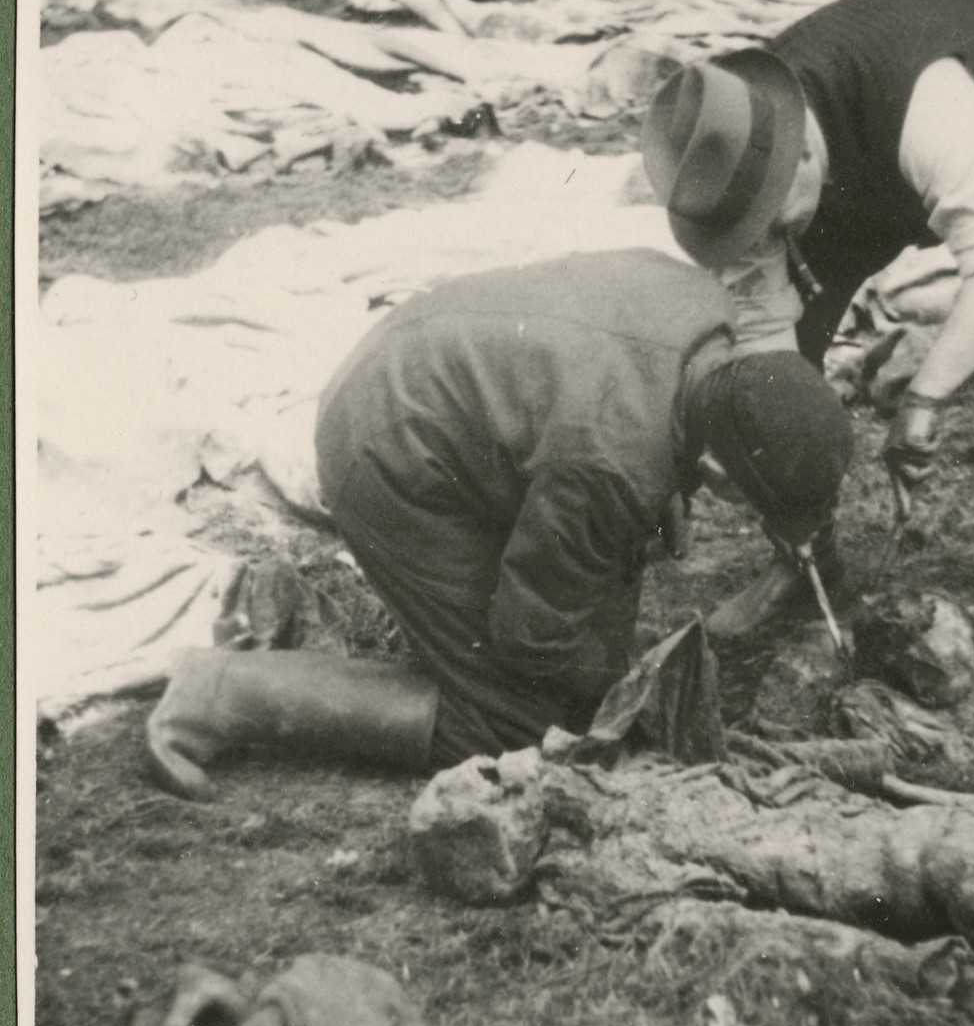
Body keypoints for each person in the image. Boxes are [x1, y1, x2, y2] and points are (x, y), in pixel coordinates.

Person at [145, 249, 854, 799]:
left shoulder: (705, 307)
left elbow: (625, 412)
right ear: (723, 473)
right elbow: (527, 638)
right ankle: (224, 693)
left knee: (591, 661)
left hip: (435, 371)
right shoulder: (608, 465)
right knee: (511, 724)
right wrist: (598, 685)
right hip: (387, 449)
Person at [642, 0, 974, 636]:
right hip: (851, 161)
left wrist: (925, 400)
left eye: (768, 225)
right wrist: (743, 431)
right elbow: (765, 333)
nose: (763, 246)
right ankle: (806, 565)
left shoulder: (931, 109)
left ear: (800, 157)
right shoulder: (740, 140)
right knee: (778, 365)